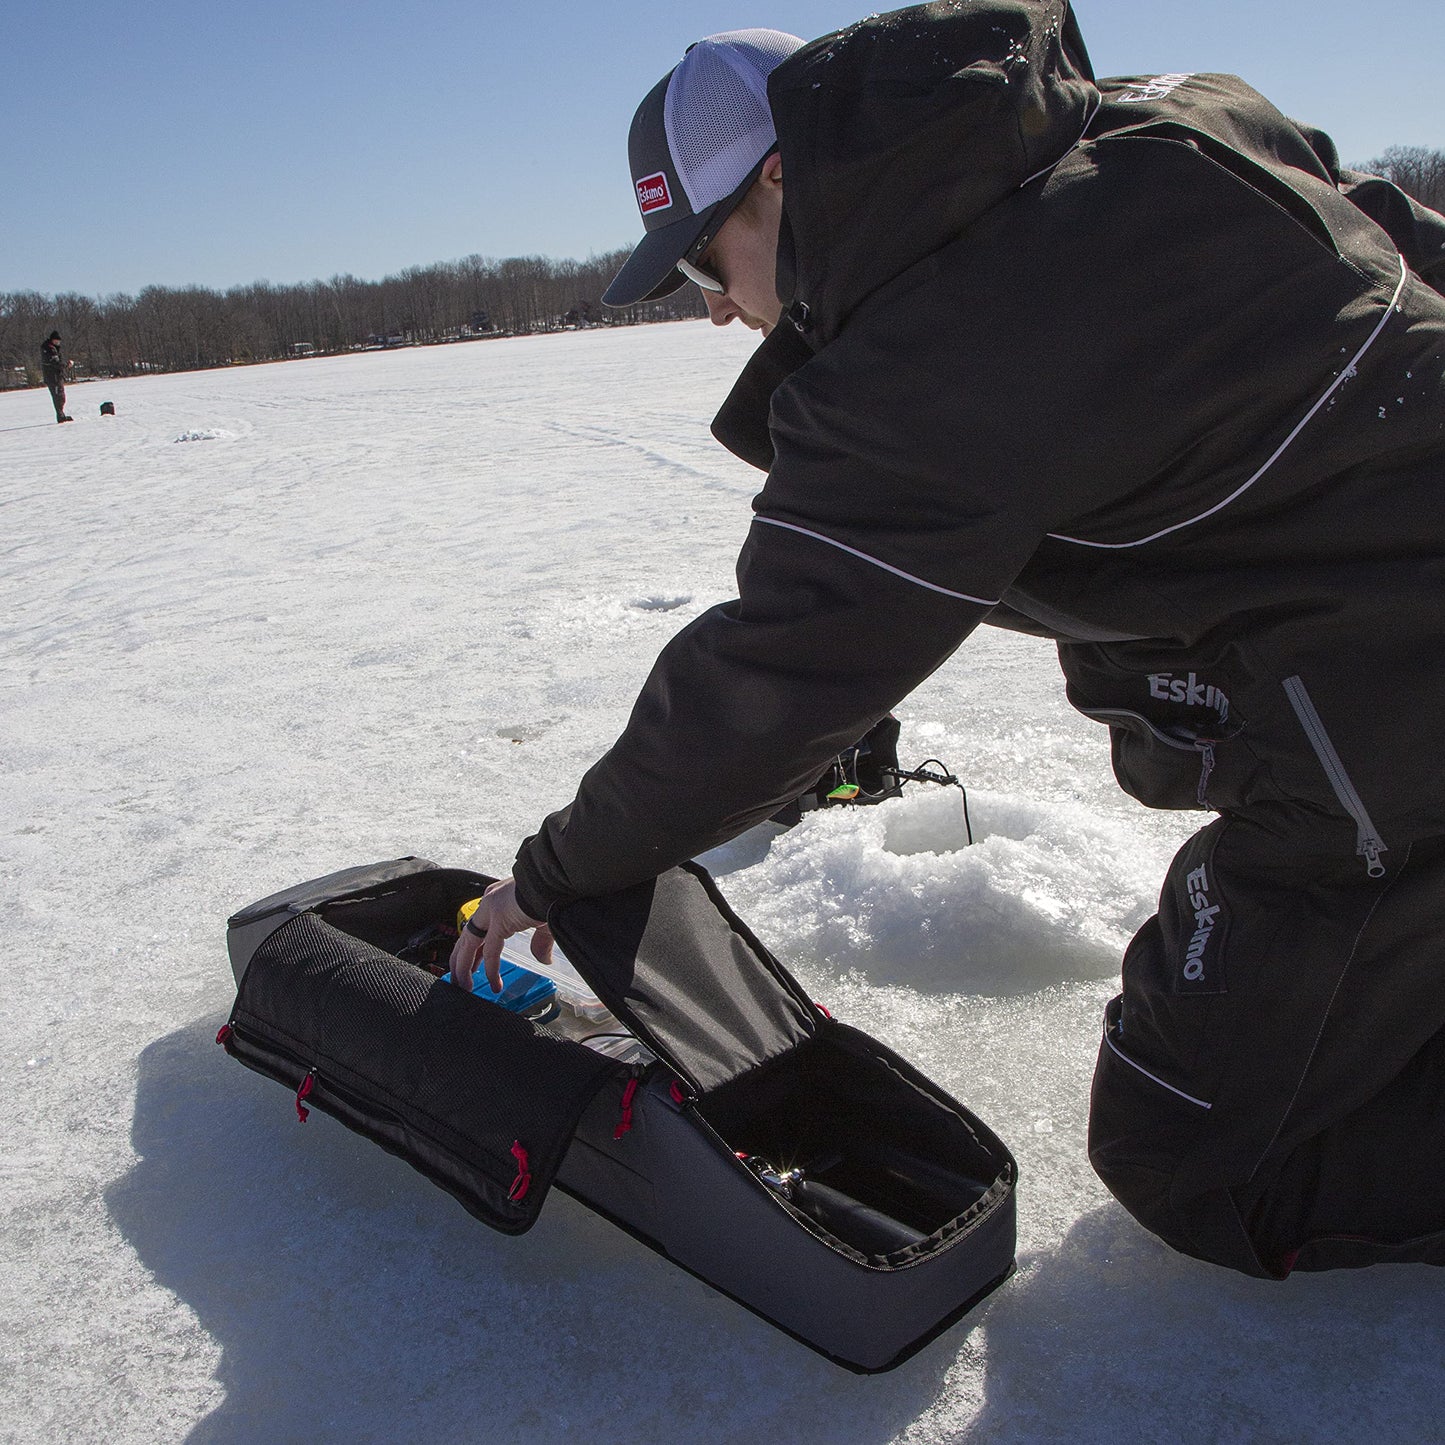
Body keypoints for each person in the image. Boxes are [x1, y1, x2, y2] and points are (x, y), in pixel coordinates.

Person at [450, 3, 1445, 1279]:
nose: (709, 309)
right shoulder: (1164, 118)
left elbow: (775, 670)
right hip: (1367, 659)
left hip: (1384, 700)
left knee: (1187, 1147)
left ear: (779, 180)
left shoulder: (932, 347)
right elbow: (1398, 245)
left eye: (704, 263)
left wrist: (557, 868)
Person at [41, 331, 72, 423]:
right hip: (53, 377)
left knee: (60, 396)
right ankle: (60, 416)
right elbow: (55, 363)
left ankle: (61, 415)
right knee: (58, 396)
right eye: (57, 341)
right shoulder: (49, 349)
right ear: (53, 340)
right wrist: (67, 365)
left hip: (55, 376)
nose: (58, 343)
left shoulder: (51, 348)